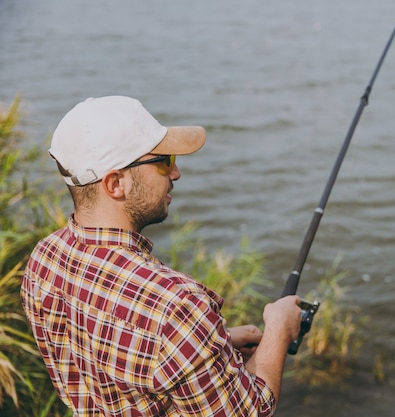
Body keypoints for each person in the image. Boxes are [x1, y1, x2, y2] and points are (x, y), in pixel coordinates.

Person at [21, 96, 303, 416]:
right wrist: (279, 329)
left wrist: (211, 347)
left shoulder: (42, 261)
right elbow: (250, 411)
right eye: (164, 161)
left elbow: (107, 363)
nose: (176, 173)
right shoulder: (177, 308)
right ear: (115, 183)